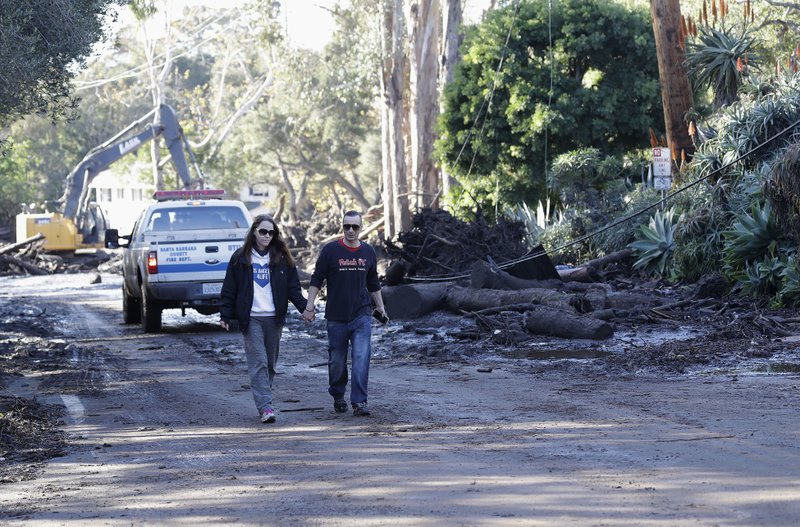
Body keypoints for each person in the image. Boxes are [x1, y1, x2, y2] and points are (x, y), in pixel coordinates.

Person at [220, 214, 307, 424]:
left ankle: (264, 396)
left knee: (270, 364)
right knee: (258, 362)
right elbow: (230, 288)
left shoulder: (283, 259)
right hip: (251, 319)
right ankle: (265, 406)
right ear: (254, 231)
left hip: (273, 319)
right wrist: (225, 314)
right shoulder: (240, 258)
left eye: (271, 232)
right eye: (263, 231)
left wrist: (306, 309)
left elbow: (293, 289)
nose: (267, 236)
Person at [302, 210, 387, 417]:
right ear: (342, 227)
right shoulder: (330, 250)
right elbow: (317, 279)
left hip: (362, 315)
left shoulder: (368, 252)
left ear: (360, 228)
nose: (350, 230)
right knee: (337, 361)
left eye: (355, 227)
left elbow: (373, 283)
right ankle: (338, 394)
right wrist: (309, 306)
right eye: (346, 226)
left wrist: (381, 307)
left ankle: (359, 402)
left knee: (361, 357)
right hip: (336, 316)